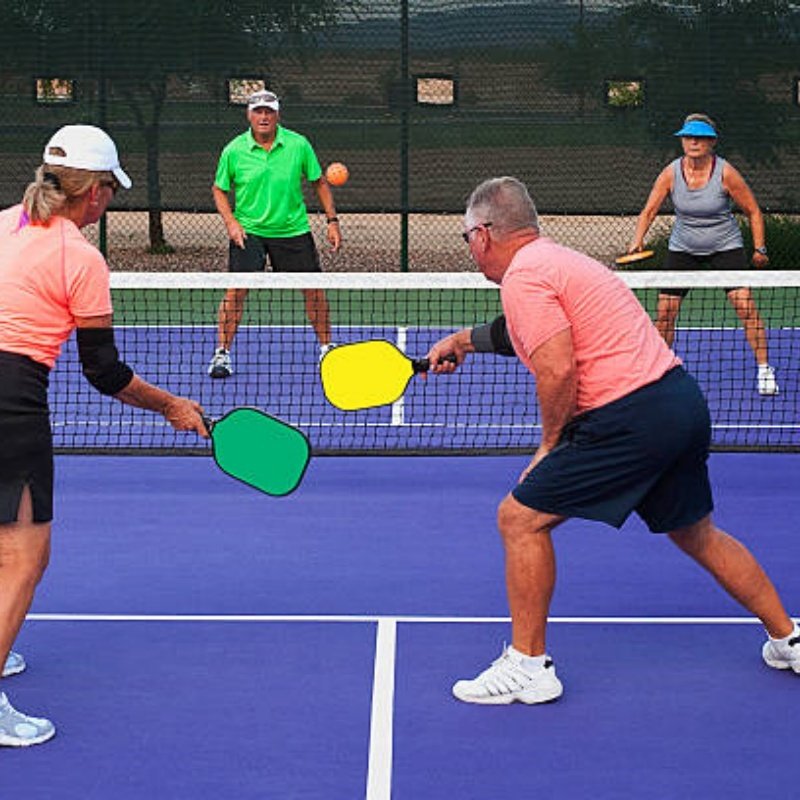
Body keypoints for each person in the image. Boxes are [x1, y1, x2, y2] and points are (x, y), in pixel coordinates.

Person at [425, 176, 798, 706]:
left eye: (467, 239)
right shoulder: (559, 261)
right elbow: (528, 332)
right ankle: (789, 637)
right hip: (679, 403)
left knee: (520, 518)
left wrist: (550, 445)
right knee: (697, 533)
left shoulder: (523, 279)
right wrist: (465, 340)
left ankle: (529, 665)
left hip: (630, 419)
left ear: (484, 234)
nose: (470, 250)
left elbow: (556, 368)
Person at [0, 124, 208, 745]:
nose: (109, 202)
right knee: (25, 555)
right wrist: (172, 405)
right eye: (110, 191)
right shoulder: (81, 259)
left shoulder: (2, 223)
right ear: (92, 192)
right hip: (11, 405)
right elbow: (104, 371)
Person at [629, 112, 778, 396]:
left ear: (712, 143)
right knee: (665, 311)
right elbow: (648, 210)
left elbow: (753, 211)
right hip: (683, 247)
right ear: (682, 141)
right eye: (688, 137)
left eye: (700, 138)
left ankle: (764, 369)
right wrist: (637, 241)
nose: (694, 142)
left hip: (725, 246)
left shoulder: (726, 172)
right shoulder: (671, 173)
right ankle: (659, 373)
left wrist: (760, 249)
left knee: (746, 307)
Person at [208, 89, 342, 379]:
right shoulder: (233, 150)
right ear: (249, 115)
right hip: (249, 233)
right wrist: (231, 223)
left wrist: (332, 221)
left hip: (293, 231)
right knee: (236, 291)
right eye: (258, 111)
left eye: (269, 111)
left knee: (313, 290)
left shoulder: (298, 145)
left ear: (277, 114)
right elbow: (219, 189)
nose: (264, 116)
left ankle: (327, 348)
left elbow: (319, 182)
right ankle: (222, 353)